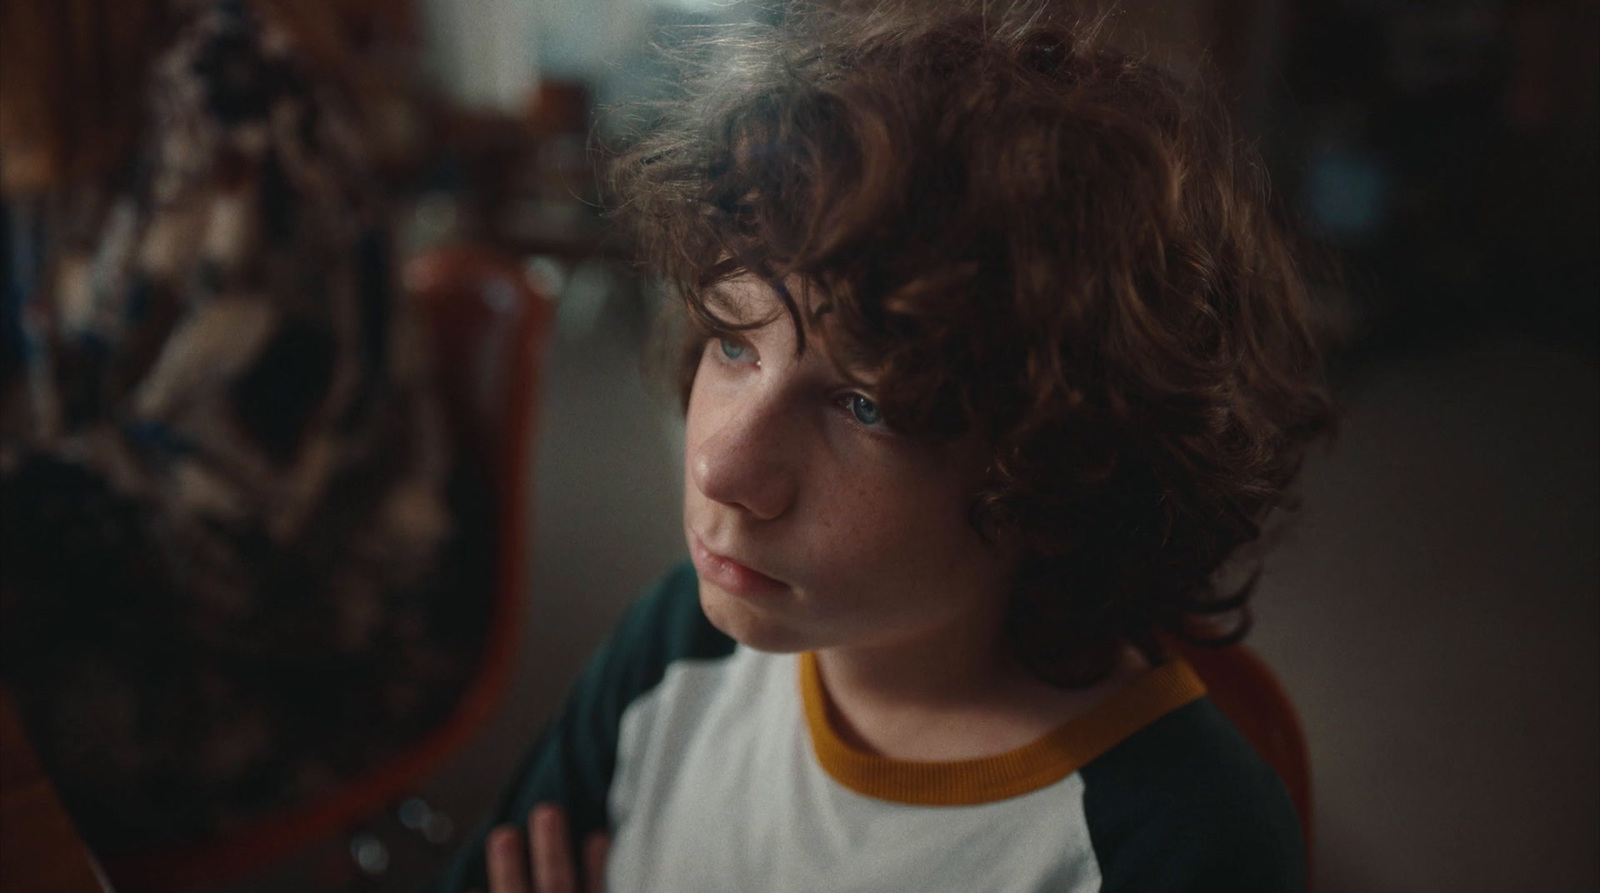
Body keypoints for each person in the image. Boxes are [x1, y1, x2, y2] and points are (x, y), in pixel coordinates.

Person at [431, 2, 1336, 891]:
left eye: (865, 406)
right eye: (733, 342)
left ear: (1063, 474)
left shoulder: (1182, 843)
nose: (719, 467)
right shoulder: (679, 639)